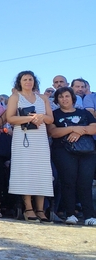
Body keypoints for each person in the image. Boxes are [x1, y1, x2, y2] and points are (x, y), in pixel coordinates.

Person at [6, 71, 54, 222]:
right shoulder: (15, 97)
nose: (28, 82)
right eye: (25, 79)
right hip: (23, 136)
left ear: (35, 81)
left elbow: (50, 118)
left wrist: (42, 117)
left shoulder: (43, 98)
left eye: (30, 79)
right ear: (19, 82)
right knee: (25, 171)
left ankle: (40, 209)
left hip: (40, 138)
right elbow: (10, 118)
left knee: (41, 171)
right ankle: (28, 208)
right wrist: (30, 117)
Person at [47, 86, 96, 226]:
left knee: (85, 183)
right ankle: (70, 213)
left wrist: (80, 132)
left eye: (67, 96)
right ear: (57, 100)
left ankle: (89, 216)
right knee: (68, 182)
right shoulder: (55, 115)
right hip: (63, 151)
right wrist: (73, 128)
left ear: (73, 98)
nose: (64, 99)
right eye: (61, 97)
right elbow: (53, 132)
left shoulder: (84, 112)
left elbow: (94, 127)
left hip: (87, 152)